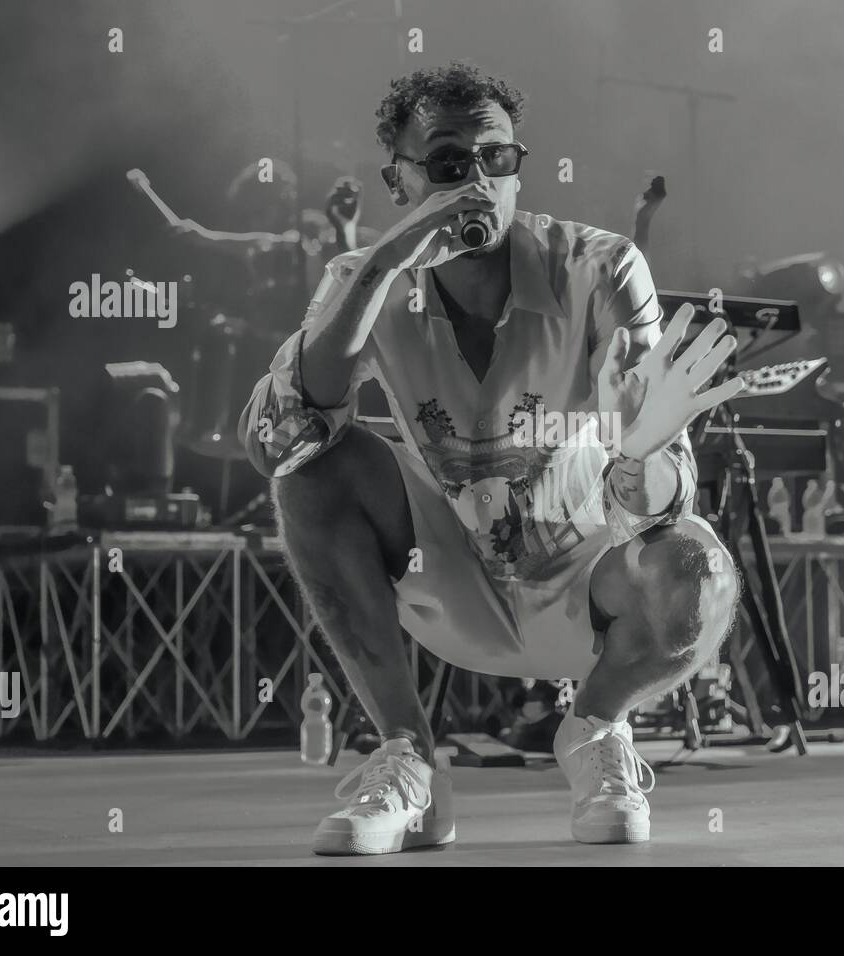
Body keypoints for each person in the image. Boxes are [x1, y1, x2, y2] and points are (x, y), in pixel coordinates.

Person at [239, 61, 743, 854]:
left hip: (590, 580)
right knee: (314, 474)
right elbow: (280, 435)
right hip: (449, 583)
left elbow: (661, 512)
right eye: (447, 163)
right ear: (399, 182)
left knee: (698, 566)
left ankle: (595, 732)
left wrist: (643, 444)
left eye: (496, 158)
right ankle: (409, 764)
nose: (477, 179)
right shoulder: (359, 283)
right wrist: (386, 260)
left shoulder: (599, 268)